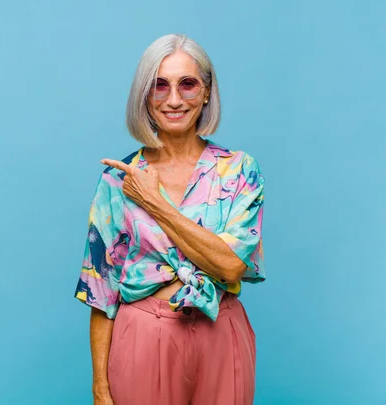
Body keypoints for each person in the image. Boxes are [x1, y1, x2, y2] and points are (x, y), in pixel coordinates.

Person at [74, 33, 265, 405]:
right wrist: (100, 386)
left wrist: (154, 202)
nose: (174, 99)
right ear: (144, 95)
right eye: (159, 86)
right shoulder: (118, 179)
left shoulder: (239, 170)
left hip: (220, 333)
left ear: (207, 92)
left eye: (188, 84)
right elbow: (101, 291)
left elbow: (230, 267)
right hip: (143, 335)